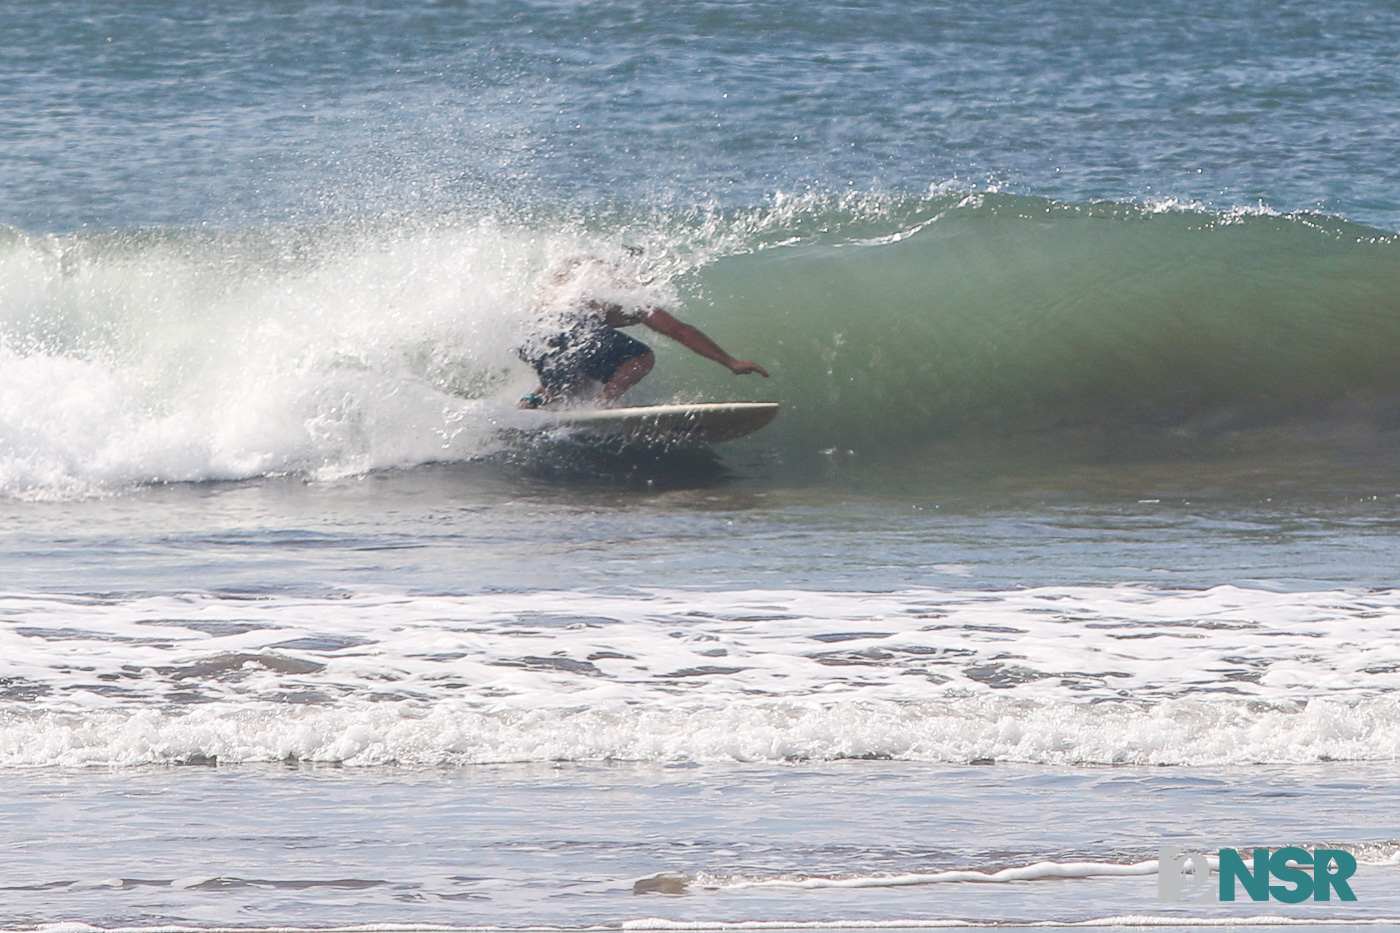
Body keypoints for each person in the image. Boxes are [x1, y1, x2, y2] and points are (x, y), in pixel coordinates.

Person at [516, 256, 769, 408]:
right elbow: (678, 331)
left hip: (527, 336)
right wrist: (730, 362)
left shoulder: (577, 275)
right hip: (568, 327)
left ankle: (530, 402)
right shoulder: (624, 287)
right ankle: (606, 404)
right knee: (641, 358)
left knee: (578, 372)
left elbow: (557, 332)